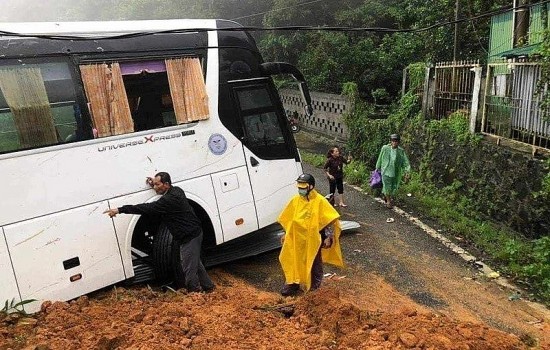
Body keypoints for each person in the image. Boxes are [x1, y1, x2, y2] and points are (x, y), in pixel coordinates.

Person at [103, 172, 214, 293]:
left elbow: (144, 208)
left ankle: (195, 294)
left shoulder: (168, 201)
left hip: (189, 237)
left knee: (188, 269)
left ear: (166, 184)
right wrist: (154, 183)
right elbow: (160, 190)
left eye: (157, 185)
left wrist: (120, 210)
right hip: (194, 233)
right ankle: (209, 287)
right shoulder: (177, 190)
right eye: (154, 184)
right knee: (194, 263)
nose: (155, 187)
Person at [278, 173, 344, 296]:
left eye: (303, 187)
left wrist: (329, 237)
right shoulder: (295, 200)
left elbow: (329, 219)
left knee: (314, 263)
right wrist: (285, 233)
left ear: (311, 187)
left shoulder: (319, 201)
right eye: (299, 187)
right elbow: (288, 218)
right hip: (296, 239)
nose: (300, 189)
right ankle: (293, 283)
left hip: (313, 240)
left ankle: (315, 288)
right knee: (292, 259)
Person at [375, 134, 411, 209]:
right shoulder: (385, 148)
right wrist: (377, 167)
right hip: (385, 171)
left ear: (398, 142)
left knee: (393, 187)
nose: (394, 143)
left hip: (395, 172)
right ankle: (388, 201)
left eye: (396, 141)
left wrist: (407, 171)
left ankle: (386, 196)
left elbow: (405, 162)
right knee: (387, 186)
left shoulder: (401, 151)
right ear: (390, 141)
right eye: (393, 141)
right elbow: (380, 157)